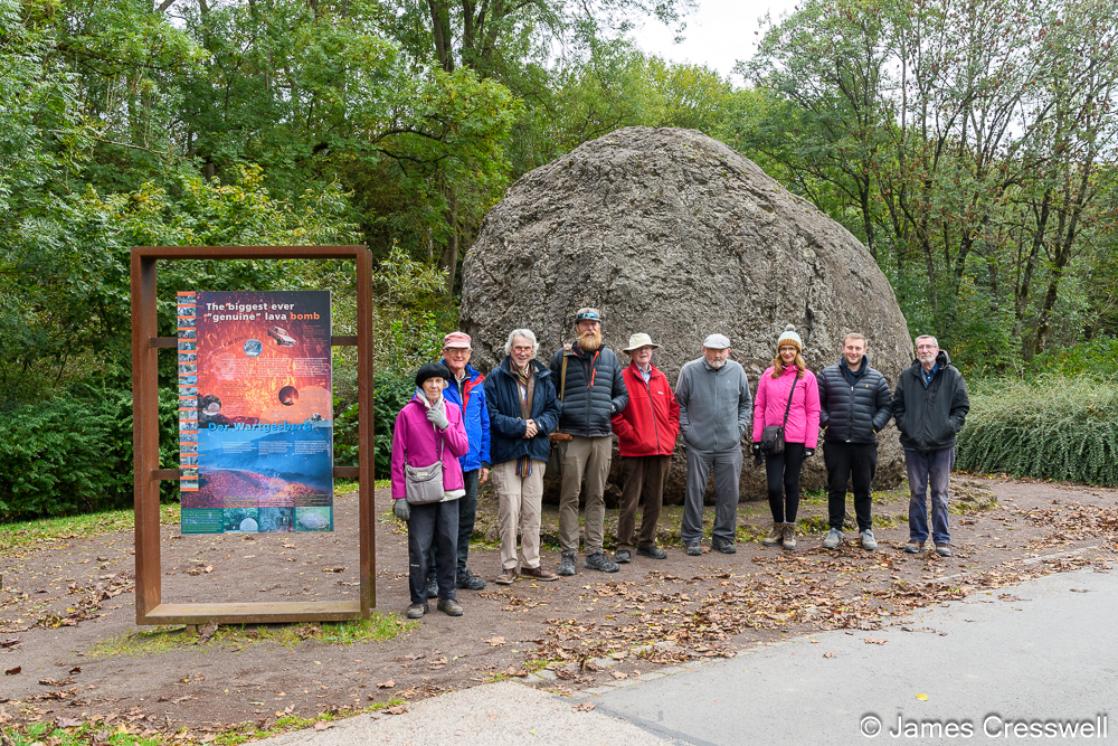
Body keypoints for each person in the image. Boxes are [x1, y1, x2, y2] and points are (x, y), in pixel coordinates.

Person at [549, 307, 629, 575]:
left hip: (602, 436)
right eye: (585, 324)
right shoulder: (561, 357)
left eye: (594, 324)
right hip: (572, 437)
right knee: (570, 496)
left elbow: (623, 395)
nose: (590, 328)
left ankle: (595, 552)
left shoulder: (610, 358)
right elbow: (548, 395)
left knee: (597, 496)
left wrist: (612, 407)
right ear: (577, 328)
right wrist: (563, 409)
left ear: (600, 327)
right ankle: (568, 555)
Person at [390, 363, 469, 619]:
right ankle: (418, 600)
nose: (435, 386)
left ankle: (448, 597)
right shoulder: (407, 414)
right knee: (419, 546)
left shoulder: (454, 411)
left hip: (449, 489)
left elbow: (462, 448)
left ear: (445, 384)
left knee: (448, 545)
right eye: (430, 382)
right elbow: (397, 457)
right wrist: (399, 495)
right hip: (420, 491)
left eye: (439, 381)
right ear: (421, 385)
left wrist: (445, 424)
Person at [484, 329, 561, 584]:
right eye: (518, 348)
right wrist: (520, 427)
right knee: (510, 510)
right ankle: (508, 565)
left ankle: (531, 563)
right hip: (508, 453)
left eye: (527, 348)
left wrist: (537, 425)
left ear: (533, 350)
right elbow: (491, 415)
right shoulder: (496, 377)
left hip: (535, 453)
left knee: (532, 511)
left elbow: (553, 411)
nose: (522, 352)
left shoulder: (544, 376)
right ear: (510, 349)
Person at [424, 331, 490, 597]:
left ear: (470, 354)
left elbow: (484, 422)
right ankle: (432, 575)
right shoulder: (433, 380)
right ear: (445, 351)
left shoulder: (477, 382)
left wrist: (485, 459)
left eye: (463, 350)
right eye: (453, 350)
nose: (459, 355)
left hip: (471, 463)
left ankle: (458, 570)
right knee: (438, 521)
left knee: (465, 521)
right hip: (443, 463)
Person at [893, 335, 969, 557]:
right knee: (917, 493)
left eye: (928, 346)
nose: (924, 350)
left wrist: (948, 426)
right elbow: (897, 405)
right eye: (920, 347)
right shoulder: (908, 376)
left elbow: (962, 406)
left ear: (937, 350)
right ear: (916, 351)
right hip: (914, 445)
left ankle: (942, 539)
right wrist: (907, 426)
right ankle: (917, 538)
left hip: (942, 445)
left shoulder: (952, 375)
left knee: (940, 493)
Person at [676, 333, 751, 556]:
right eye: (712, 350)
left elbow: (746, 403)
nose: (717, 355)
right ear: (703, 350)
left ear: (729, 351)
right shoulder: (689, 370)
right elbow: (678, 404)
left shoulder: (737, 370)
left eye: (721, 350)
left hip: (729, 445)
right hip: (698, 444)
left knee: (729, 492)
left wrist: (737, 430)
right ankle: (692, 538)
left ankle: (724, 537)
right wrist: (689, 432)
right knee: (694, 491)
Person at [817, 332, 892, 551]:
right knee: (836, 487)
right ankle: (835, 529)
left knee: (863, 487)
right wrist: (826, 422)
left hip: (864, 442)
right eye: (850, 347)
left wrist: (874, 425)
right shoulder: (827, 375)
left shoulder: (876, 378)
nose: (853, 352)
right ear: (843, 348)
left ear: (865, 350)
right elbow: (816, 403)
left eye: (858, 348)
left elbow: (886, 406)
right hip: (836, 441)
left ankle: (866, 530)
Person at [611, 332, 680, 562]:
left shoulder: (660, 378)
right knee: (630, 499)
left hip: (661, 450)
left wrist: (670, 435)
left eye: (647, 348)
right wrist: (631, 435)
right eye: (639, 349)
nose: (644, 352)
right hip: (634, 450)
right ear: (631, 353)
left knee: (655, 499)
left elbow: (673, 409)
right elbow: (615, 414)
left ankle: (647, 542)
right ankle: (623, 544)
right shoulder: (622, 378)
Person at [752, 326, 820, 551]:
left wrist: (810, 443)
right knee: (773, 486)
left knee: (791, 483)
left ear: (798, 351)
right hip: (773, 438)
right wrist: (756, 437)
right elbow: (759, 406)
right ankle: (777, 525)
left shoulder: (807, 377)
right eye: (784, 348)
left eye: (792, 348)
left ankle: (790, 527)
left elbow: (813, 411)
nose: (788, 352)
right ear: (779, 351)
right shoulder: (768, 375)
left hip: (797, 438)